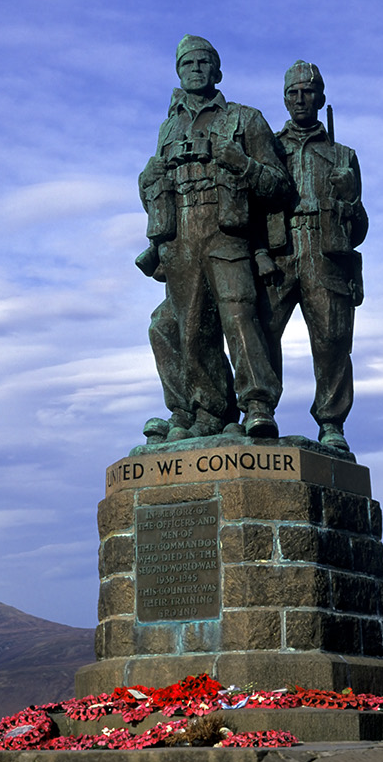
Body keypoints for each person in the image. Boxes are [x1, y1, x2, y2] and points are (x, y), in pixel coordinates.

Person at [137, 35, 291, 442]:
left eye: (204, 62)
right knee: (188, 328)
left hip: (228, 232)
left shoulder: (245, 118)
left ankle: (258, 404)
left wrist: (239, 162)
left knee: (239, 314)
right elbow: (157, 188)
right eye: (188, 63)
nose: (196, 69)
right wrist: (146, 183)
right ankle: (206, 411)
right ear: (178, 71)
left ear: (218, 71)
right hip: (181, 236)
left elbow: (280, 186)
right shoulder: (169, 127)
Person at [260, 60, 368, 454]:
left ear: (321, 98)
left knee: (332, 340)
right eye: (293, 92)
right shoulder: (267, 146)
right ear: (285, 99)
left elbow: (359, 231)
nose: (300, 99)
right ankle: (261, 410)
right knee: (263, 329)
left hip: (325, 253)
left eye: (308, 91)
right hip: (281, 250)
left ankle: (331, 422)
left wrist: (350, 197)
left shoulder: (343, 155)